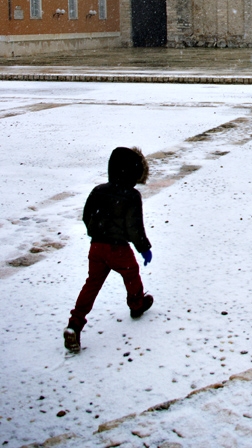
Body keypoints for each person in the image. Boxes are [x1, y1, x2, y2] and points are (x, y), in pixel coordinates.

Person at [63, 146, 153, 353]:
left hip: (96, 247)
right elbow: (134, 227)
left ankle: (74, 324)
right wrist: (144, 248)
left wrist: (97, 234)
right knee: (131, 274)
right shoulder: (131, 196)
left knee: (92, 283)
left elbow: (87, 216)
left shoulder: (98, 190)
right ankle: (136, 304)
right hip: (118, 248)